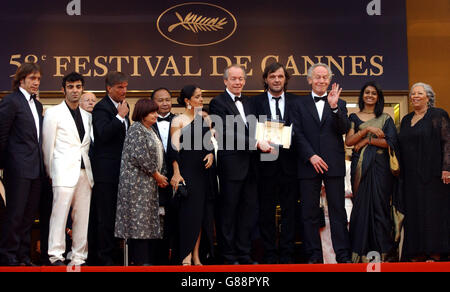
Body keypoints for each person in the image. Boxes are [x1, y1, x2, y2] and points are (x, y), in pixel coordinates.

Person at [293, 63, 352, 264]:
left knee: (338, 211)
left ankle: (343, 255)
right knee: (308, 213)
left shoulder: (340, 103)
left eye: (325, 77)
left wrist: (334, 107)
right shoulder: (298, 105)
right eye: (317, 77)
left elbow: (343, 129)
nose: (321, 80)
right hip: (308, 164)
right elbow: (296, 134)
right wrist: (311, 156)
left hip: (333, 163)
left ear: (329, 80)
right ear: (310, 80)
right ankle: (314, 256)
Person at [209, 65, 265, 265]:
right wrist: (256, 143)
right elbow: (225, 132)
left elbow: (258, 128)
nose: (238, 82)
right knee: (228, 212)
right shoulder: (217, 102)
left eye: (241, 79)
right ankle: (228, 255)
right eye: (233, 79)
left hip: (251, 166)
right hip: (231, 166)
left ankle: (244, 253)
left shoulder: (248, 102)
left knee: (248, 212)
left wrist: (272, 139)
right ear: (225, 81)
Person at [42, 72, 94, 266]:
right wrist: (50, 172)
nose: (75, 91)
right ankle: (56, 255)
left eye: (78, 87)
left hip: (84, 172)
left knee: (82, 217)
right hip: (62, 171)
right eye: (71, 87)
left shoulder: (88, 116)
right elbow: (48, 145)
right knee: (59, 215)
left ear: (82, 89)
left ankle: (78, 256)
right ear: (63, 89)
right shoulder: (53, 113)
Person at [345, 82, 399, 263]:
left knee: (379, 207)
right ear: (362, 96)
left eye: (373, 93)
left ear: (378, 97)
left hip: (380, 168)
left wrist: (368, 141)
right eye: (367, 92)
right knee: (361, 208)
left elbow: (390, 143)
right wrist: (367, 130)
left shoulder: (385, 118)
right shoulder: (353, 116)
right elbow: (349, 141)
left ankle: (383, 252)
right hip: (360, 167)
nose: (370, 95)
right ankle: (359, 253)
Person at [251, 63, 299, 264]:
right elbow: (250, 129)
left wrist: (292, 134)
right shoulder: (254, 102)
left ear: (285, 79)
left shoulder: (297, 102)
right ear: (266, 79)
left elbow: (304, 130)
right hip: (265, 165)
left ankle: (287, 253)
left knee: (290, 211)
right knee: (266, 212)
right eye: (272, 76)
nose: (277, 80)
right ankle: (270, 253)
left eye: (280, 76)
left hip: (290, 164)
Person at [399, 82, 450, 262]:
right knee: (414, 213)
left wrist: (447, 168)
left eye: (419, 93)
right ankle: (416, 252)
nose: (415, 96)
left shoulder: (438, 115)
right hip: (411, 177)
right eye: (413, 94)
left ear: (428, 97)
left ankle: (436, 252)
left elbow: (447, 142)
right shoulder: (406, 119)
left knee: (433, 213)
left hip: (434, 175)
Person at [114, 99, 169, 266]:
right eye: (152, 112)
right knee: (139, 223)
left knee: (148, 223)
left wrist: (161, 174)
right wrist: (157, 175)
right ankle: (140, 262)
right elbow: (140, 156)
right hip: (137, 185)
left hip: (150, 183)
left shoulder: (150, 129)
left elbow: (160, 154)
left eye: (156, 112)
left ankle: (147, 261)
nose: (155, 115)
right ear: (142, 113)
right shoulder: (136, 129)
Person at [0, 63, 44, 266]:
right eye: (32, 79)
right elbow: (2, 135)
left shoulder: (37, 105)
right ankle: (8, 255)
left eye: (38, 79)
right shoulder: (11, 101)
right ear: (21, 80)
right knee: (15, 215)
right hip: (17, 168)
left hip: (36, 169)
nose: (36, 83)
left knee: (28, 216)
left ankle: (23, 256)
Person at [169, 85, 216, 266]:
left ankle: (196, 256)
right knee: (189, 215)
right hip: (186, 172)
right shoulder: (178, 120)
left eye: (201, 96)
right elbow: (173, 150)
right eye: (197, 96)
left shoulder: (203, 120)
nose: (201, 99)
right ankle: (185, 256)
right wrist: (176, 172)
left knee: (201, 216)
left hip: (202, 173)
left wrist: (210, 154)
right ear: (187, 101)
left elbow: (208, 145)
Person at [90, 71, 130, 266]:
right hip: (106, 173)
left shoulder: (124, 107)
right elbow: (103, 135)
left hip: (122, 172)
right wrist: (120, 117)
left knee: (117, 216)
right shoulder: (101, 108)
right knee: (105, 217)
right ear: (109, 88)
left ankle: (115, 255)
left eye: (125, 86)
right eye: (120, 87)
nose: (124, 90)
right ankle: (103, 258)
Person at [151, 88, 177, 264]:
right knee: (156, 219)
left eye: (168, 99)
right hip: (153, 179)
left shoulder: (180, 121)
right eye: (161, 100)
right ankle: (157, 258)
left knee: (174, 218)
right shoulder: (146, 122)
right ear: (153, 102)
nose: (165, 103)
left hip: (175, 178)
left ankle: (175, 258)